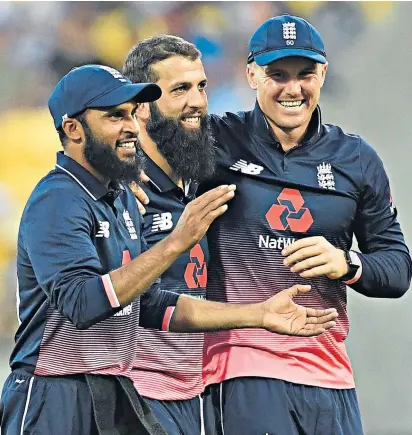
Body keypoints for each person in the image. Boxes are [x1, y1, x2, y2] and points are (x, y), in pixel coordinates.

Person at [0, 64, 338, 435]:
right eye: (114, 116)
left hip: (112, 390)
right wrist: (177, 242)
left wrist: (258, 315)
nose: (130, 126)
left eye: (131, 114)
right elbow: (82, 303)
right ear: (73, 129)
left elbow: (150, 304)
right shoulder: (58, 198)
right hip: (54, 391)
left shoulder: (121, 200)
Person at [125, 13, 411, 435]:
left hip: (330, 374)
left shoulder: (358, 161)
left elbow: (397, 268)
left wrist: (347, 264)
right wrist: (124, 172)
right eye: (277, 74)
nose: (292, 88)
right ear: (252, 74)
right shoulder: (216, 143)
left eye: (305, 74)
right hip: (241, 371)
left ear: (324, 73)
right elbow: (150, 126)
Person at [123, 37, 218, 435]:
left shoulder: (205, 178)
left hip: (201, 395)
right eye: (180, 89)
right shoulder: (121, 191)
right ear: (141, 107)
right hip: (140, 395)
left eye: (201, 86)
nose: (197, 101)